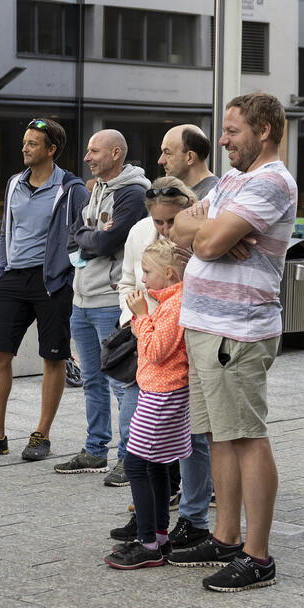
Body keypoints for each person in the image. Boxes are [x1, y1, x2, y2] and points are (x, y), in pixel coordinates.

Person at [168, 92, 295, 592]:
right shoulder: (234, 182)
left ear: (264, 131)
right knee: (220, 434)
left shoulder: (271, 181)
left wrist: (209, 232)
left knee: (246, 435)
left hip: (237, 331)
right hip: (207, 326)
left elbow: (204, 242)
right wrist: (205, 228)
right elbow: (180, 227)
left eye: (233, 131)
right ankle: (224, 538)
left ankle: (257, 554)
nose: (222, 139)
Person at [0, 119, 88, 460]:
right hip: (13, 279)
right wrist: (3, 271)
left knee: (53, 357)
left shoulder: (71, 189)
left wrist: (68, 275)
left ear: (51, 149)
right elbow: (6, 232)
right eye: (25, 142)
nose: (25, 148)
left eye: (33, 143)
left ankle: (41, 435)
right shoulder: (15, 183)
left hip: (51, 282)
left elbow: (82, 237)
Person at [110, 179, 211, 548]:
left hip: (175, 369)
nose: (166, 231)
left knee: (183, 446)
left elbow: (160, 344)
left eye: (171, 222)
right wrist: (134, 313)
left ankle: (185, 520)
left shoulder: (203, 239)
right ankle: (151, 521)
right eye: (159, 223)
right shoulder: (141, 234)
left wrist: (143, 319)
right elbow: (128, 281)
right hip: (151, 361)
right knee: (148, 454)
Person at [55, 130, 149, 473]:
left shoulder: (134, 194)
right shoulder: (95, 191)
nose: (87, 157)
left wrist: (91, 238)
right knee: (91, 380)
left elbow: (110, 242)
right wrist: (91, 236)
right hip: (82, 300)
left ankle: (128, 458)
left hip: (110, 301)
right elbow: (74, 236)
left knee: (121, 383)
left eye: (94, 151)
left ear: (116, 153)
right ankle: (96, 450)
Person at [104, 238, 190, 569]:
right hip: (160, 393)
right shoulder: (168, 302)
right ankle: (159, 536)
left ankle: (147, 542)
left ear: (169, 273)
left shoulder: (173, 306)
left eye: (147, 272)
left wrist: (140, 317)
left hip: (162, 395)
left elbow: (155, 351)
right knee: (153, 464)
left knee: (137, 464)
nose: (142, 279)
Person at [159, 124, 218, 199]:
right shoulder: (177, 191)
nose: (160, 161)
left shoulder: (213, 196)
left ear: (190, 157)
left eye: (167, 153)